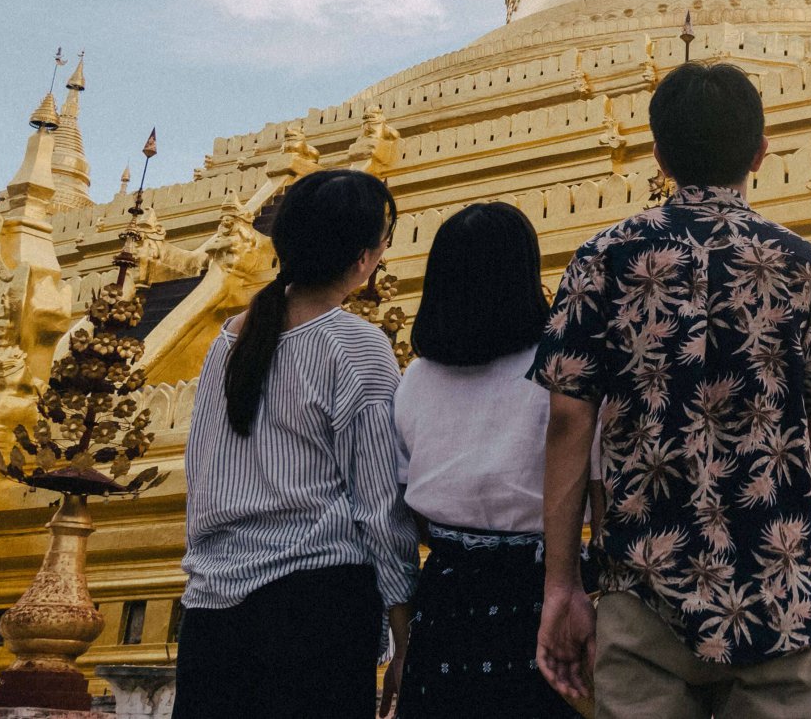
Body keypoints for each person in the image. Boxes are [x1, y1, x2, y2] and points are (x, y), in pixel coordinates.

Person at [533, 60, 811, 719]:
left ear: (658, 153)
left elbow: (569, 427)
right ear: (760, 153)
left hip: (643, 593)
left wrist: (561, 585)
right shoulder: (808, 270)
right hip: (781, 593)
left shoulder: (603, 260)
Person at [176, 168, 419, 719]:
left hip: (211, 612)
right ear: (363, 258)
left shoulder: (228, 339)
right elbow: (380, 507)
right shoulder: (355, 345)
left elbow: (202, 470)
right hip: (316, 611)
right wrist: (406, 636)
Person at [392, 201, 580, 719]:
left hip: (445, 602)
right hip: (542, 598)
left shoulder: (414, 381)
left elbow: (406, 507)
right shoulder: (561, 377)